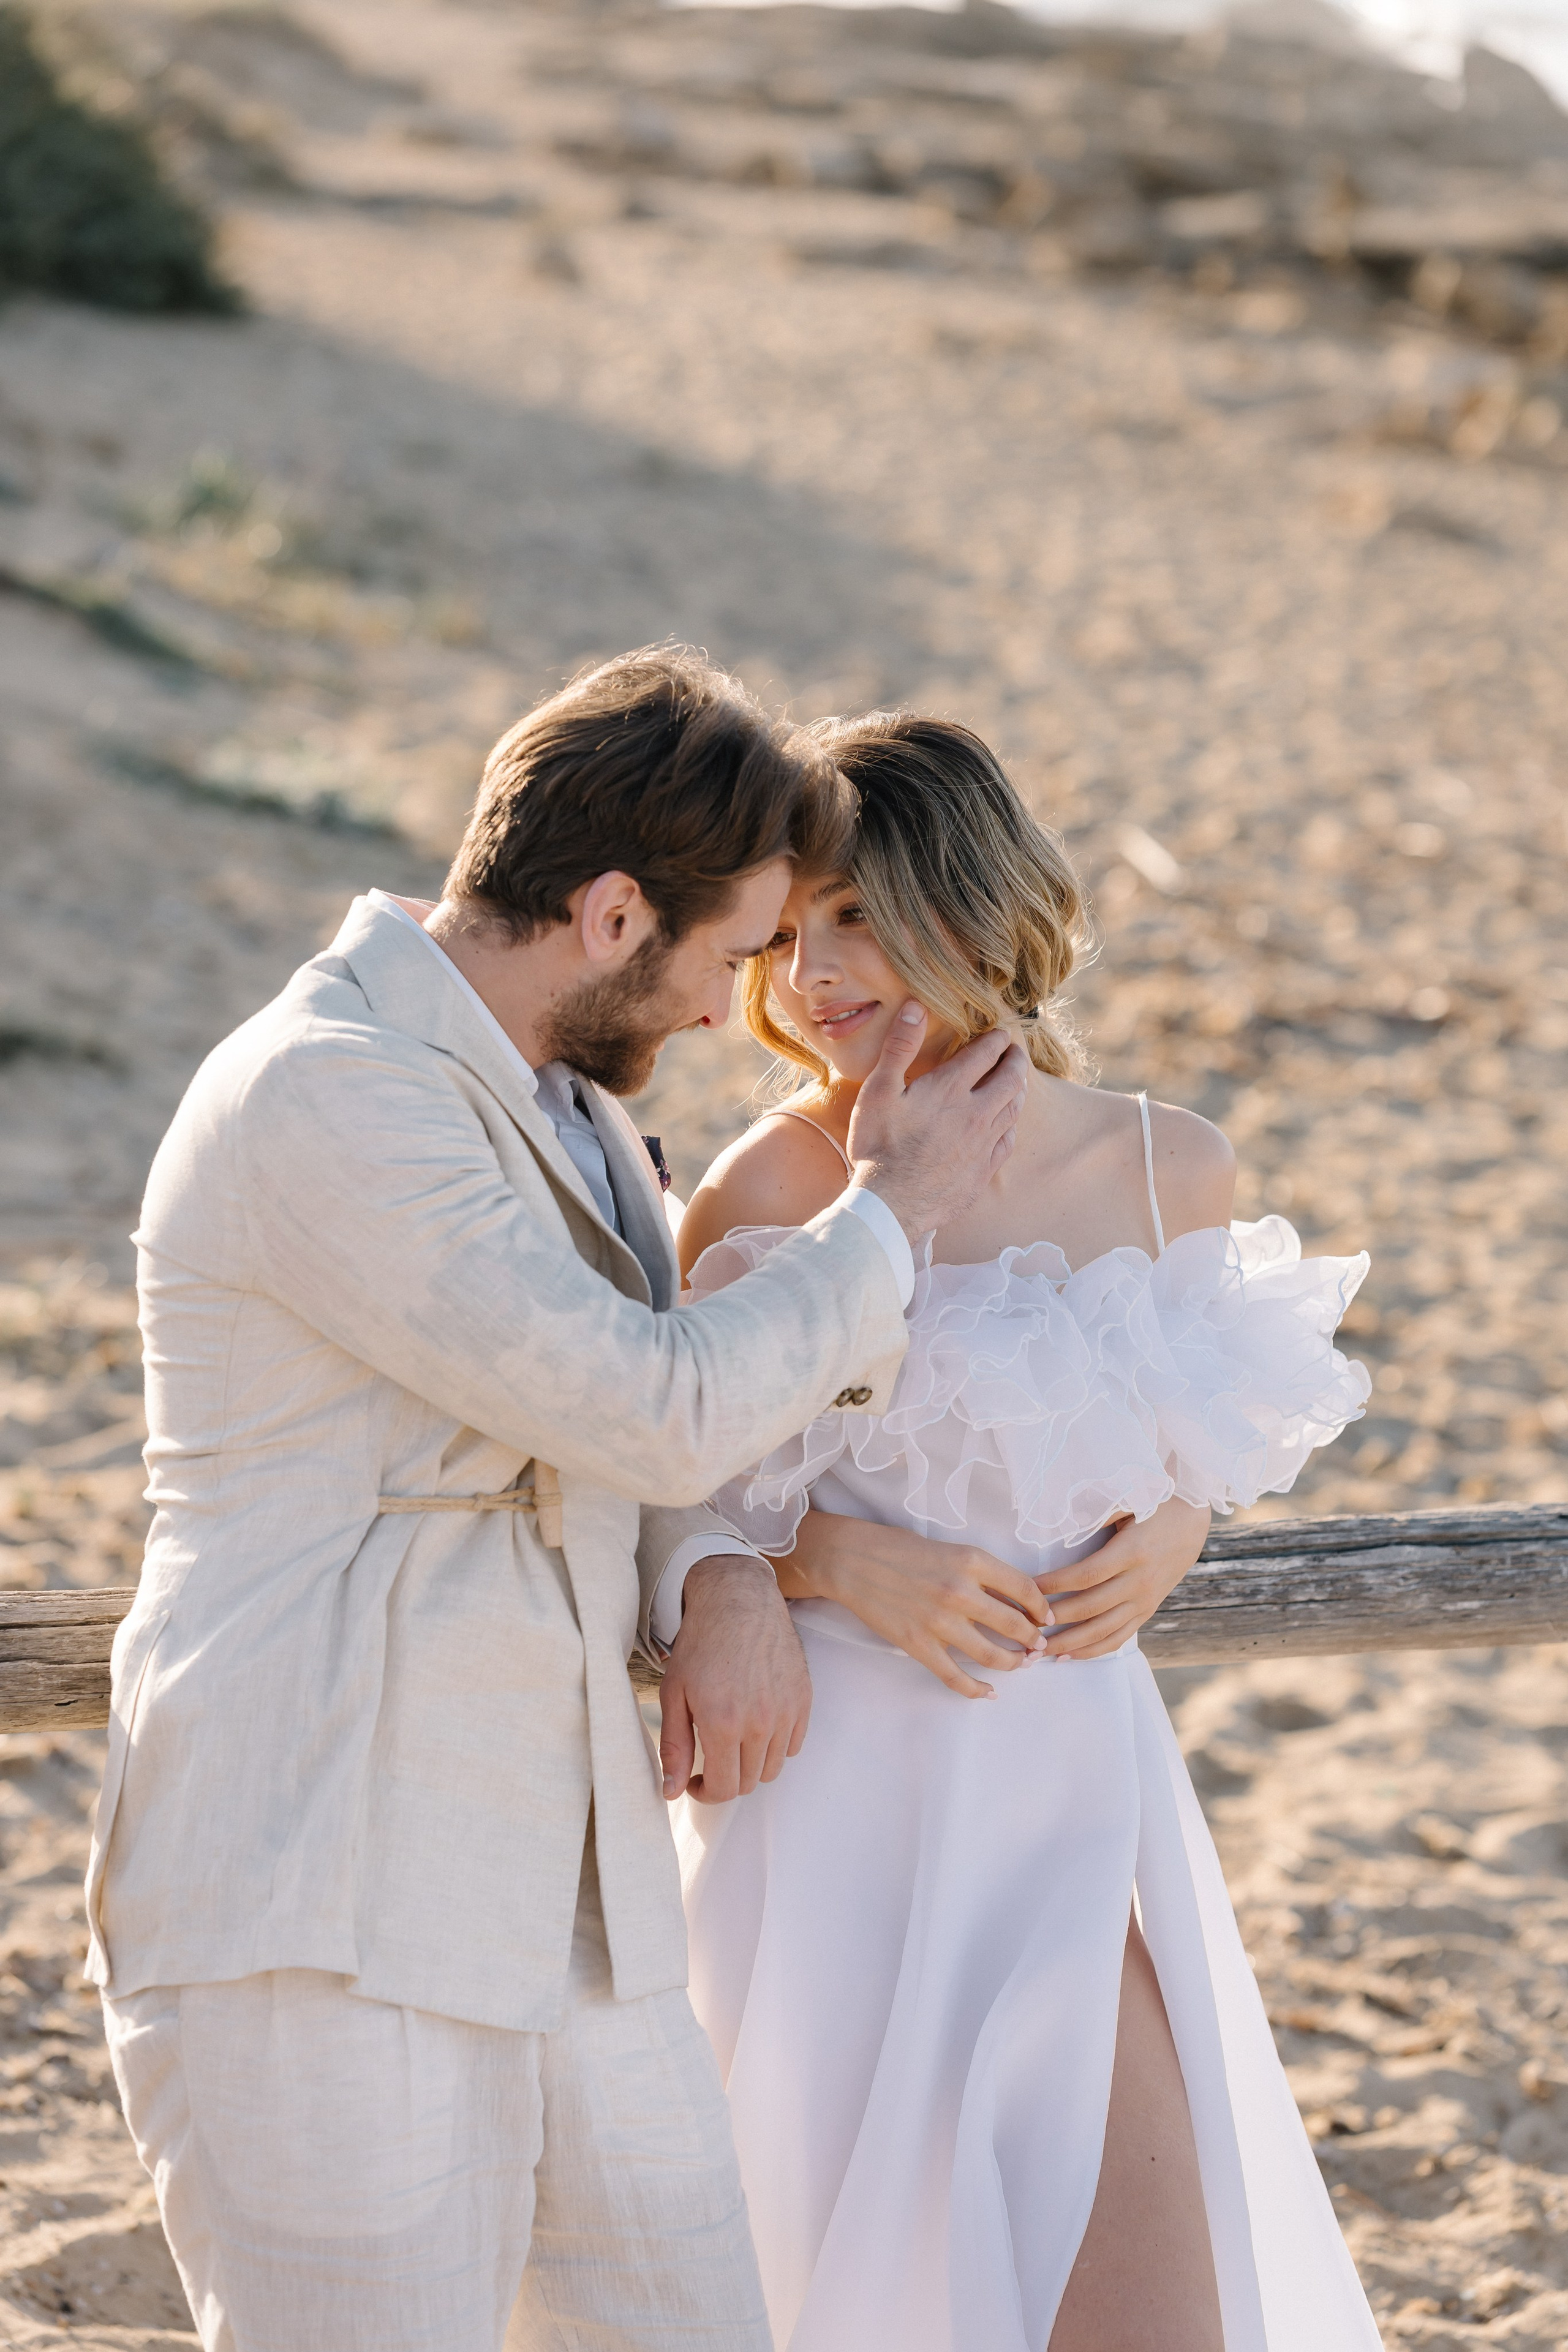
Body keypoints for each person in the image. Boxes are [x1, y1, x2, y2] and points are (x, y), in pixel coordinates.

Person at [85, 649, 1030, 2352]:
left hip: (575, 1886)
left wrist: (725, 1573)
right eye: (730, 954)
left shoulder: (569, 1106)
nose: (727, 1004)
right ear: (610, 917)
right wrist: (883, 1220)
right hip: (325, 1880)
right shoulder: (334, 1091)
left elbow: (622, 1415)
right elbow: (641, 1404)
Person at [675, 712, 1382, 2352]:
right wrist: (836, 1562)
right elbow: (660, 1497)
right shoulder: (766, 1196)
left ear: (973, 900)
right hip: (827, 1807)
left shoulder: (1166, 1169)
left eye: (856, 914)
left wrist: (1185, 1530)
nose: (812, 975)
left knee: (1149, 2305)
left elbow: (1205, 1420)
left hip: (1069, 1804)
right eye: (786, 936)